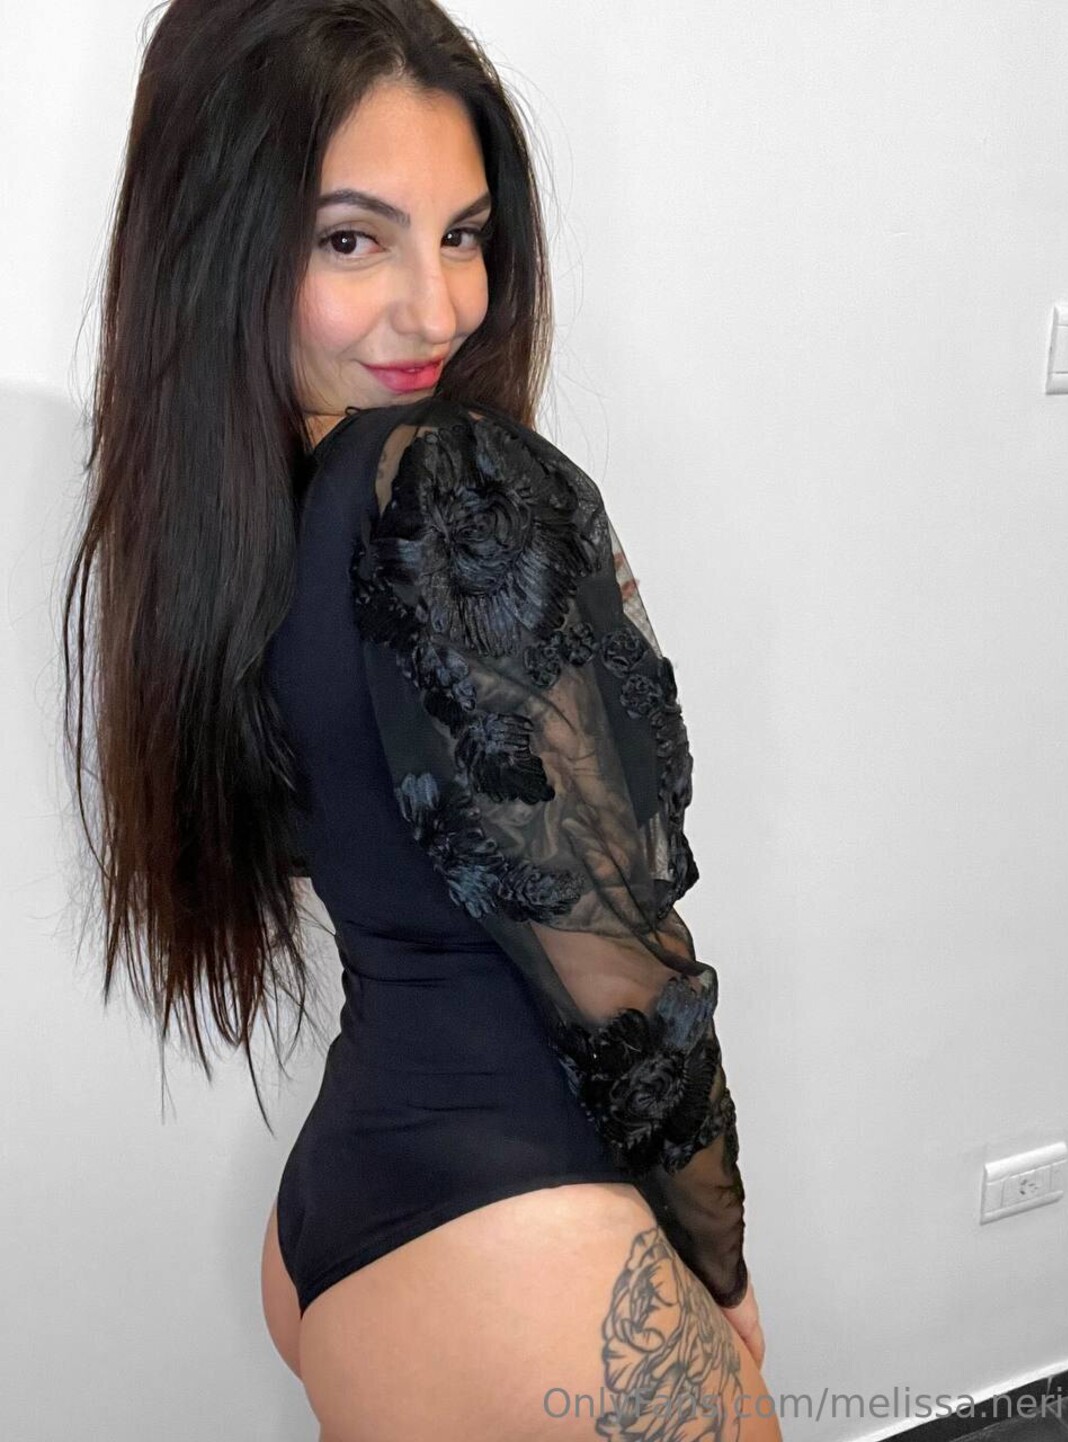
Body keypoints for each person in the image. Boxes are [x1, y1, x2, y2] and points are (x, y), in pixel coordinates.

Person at [61, 2, 782, 1438]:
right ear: (225, 244)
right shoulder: (446, 485)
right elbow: (618, 961)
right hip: (524, 1250)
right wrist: (721, 1269)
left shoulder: (237, 520)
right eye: (352, 239)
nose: (439, 308)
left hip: (358, 1208)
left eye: (463, 235)